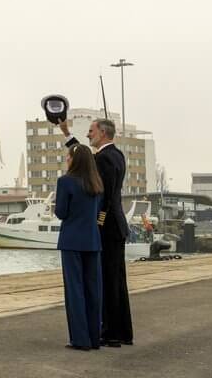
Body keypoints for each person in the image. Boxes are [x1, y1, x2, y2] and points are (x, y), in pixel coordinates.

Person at [61, 117, 132, 347]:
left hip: (107, 227)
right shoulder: (117, 155)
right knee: (117, 282)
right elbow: (83, 158)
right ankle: (122, 331)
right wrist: (66, 134)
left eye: (91, 131)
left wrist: (97, 222)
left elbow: (106, 196)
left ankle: (110, 332)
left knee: (107, 282)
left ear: (102, 132)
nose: (89, 135)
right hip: (116, 226)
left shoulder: (104, 159)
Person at [55, 143, 104, 351]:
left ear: (74, 159)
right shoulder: (96, 184)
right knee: (93, 289)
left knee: (75, 290)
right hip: (92, 241)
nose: (66, 159)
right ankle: (94, 338)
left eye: (68, 156)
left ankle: (80, 339)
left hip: (71, 241)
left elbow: (61, 212)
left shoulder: (65, 182)